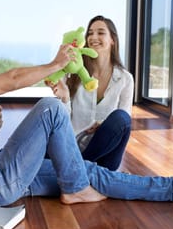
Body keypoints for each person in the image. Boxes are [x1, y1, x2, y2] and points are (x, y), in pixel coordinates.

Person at [0, 21, 173, 207]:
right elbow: (11, 79)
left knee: (89, 171)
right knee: (50, 109)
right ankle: (75, 188)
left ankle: (172, 188)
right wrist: (55, 63)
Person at [47, 15, 133, 170]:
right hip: (73, 148)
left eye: (101, 33)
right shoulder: (73, 74)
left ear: (113, 39)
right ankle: (83, 171)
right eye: (90, 33)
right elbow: (62, 122)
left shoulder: (125, 79)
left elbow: (124, 122)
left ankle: (75, 170)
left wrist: (104, 124)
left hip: (104, 155)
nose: (93, 37)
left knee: (121, 118)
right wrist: (65, 97)